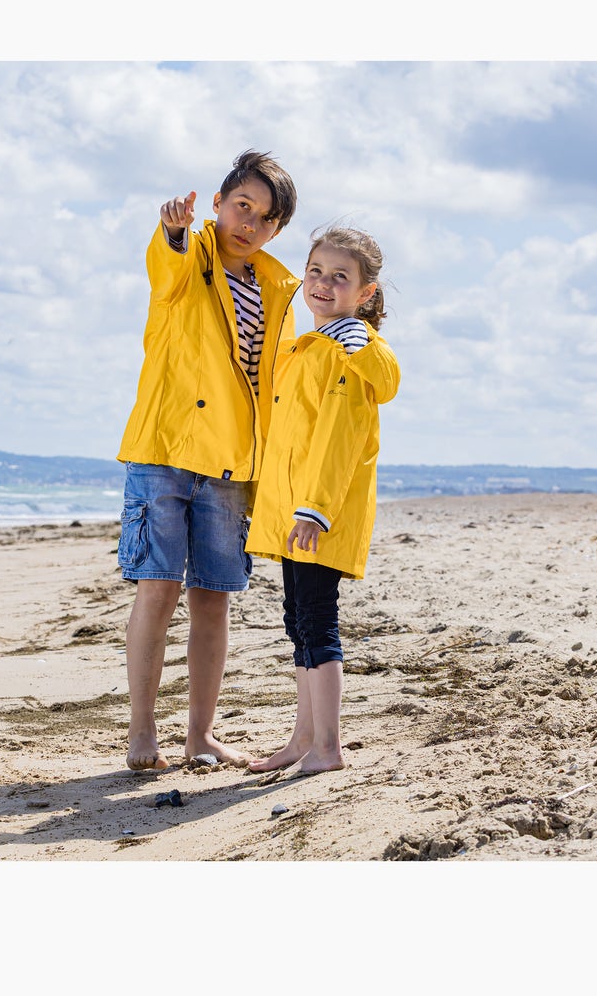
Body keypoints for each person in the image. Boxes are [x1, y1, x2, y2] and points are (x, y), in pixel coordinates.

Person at [116, 150, 299, 771]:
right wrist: (171, 231)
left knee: (213, 599)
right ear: (218, 204)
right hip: (165, 449)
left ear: (276, 231)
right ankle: (143, 734)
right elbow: (162, 271)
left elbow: (273, 384)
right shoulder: (187, 256)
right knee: (158, 589)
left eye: (265, 217)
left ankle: (200, 736)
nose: (248, 223)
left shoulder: (277, 290)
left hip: (231, 468)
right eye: (241, 205)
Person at [245, 225, 401, 777]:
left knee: (317, 621)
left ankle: (328, 747)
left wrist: (313, 510)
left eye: (341, 277)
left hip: (319, 514)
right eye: (315, 271)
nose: (323, 283)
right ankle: (303, 737)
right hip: (296, 510)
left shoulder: (347, 351)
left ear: (365, 294)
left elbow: (339, 441)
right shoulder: (306, 347)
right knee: (299, 621)